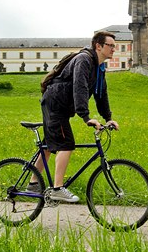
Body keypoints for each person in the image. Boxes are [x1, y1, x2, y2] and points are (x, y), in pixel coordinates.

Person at [30, 31, 119, 202]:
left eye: (114, 46)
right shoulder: (84, 60)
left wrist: (108, 118)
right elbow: (80, 87)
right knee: (66, 144)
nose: (114, 49)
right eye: (111, 46)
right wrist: (86, 117)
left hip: (59, 104)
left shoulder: (99, 68)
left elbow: (101, 95)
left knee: (50, 145)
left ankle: (34, 183)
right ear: (98, 46)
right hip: (56, 104)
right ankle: (57, 188)